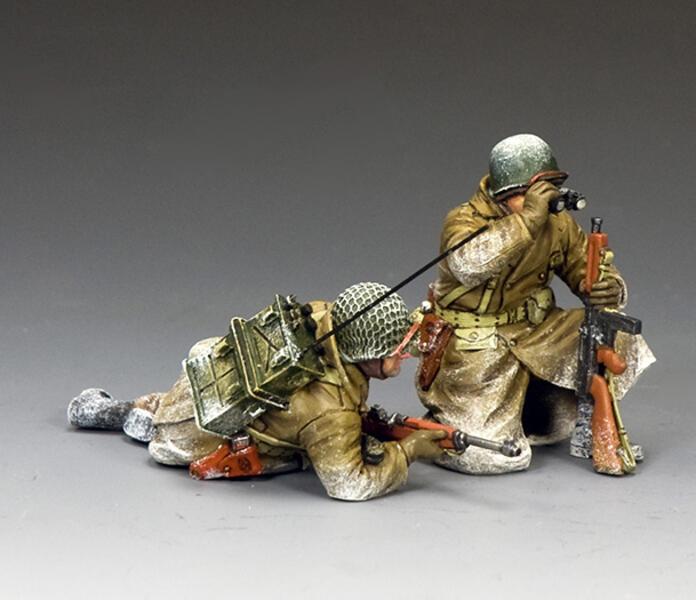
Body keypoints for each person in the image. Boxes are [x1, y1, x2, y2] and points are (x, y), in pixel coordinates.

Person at [69, 282, 445, 501]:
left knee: (163, 408)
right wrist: (408, 451)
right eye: (398, 350)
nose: (405, 356)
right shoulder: (332, 414)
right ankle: (135, 419)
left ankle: (139, 412)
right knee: (163, 429)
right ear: (368, 356)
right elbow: (349, 485)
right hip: (201, 435)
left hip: (211, 375)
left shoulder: (327, 316)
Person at [417, 133, 655, 475]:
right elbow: (469, 265)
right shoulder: (464, 220)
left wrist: (608, 288)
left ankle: (566, 416)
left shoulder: (557, 224)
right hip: (479, 344)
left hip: (538, 332)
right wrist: (527, 220)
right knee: (495, 457)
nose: (547, 201)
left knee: (614, 333)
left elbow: (584, 266)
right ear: (506, 195)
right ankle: (442, 426)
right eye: (534, 193)